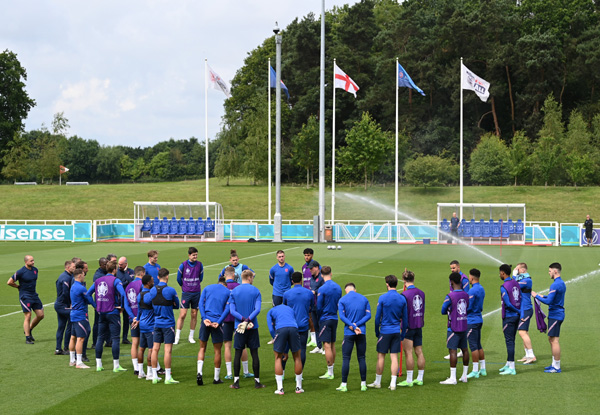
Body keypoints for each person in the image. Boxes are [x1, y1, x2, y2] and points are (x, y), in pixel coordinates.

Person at [87, 260, 134, 372]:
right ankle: (116, 366)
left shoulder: (98, 281)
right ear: (114, 270)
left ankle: (99, 364)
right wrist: (122, 306)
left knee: (100, 338)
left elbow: (88, 294)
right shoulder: (116, 280)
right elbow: (123, 294)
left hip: (101, 313)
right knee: (115, 338)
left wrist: (95, 305)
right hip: (113, 312)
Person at [368, 274, 408, 390]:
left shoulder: (383, 298)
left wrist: (377, 331)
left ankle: (378, 382)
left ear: (387, 284)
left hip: (385, 331)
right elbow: (405, 319)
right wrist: (403, 334)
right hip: (396, 331)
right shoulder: (402, 298)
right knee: (394, 357)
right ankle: (393, 383)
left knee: (381, 356)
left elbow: (377, 318)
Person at [228, 269, 265, 390]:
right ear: (249, 278)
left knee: (238, 353)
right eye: (252, 277)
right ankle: (257, 382)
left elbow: (232, 311)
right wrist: (249, 319)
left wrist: (242, 319)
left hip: (239, 327)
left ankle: (236, 382)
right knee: (254, 353)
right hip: (252, 326)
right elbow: (257, 309)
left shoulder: (234, 292)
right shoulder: (256, 291)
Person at [532, 262, 566, 373]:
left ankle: (556, 367)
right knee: (551, 339)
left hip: (556, 315)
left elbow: (549, 301)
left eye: (550, 271)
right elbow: (553, 298)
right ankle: (554, 364)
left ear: (555, 271)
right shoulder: (560, 283)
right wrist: (543, 296)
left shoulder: (555, 284)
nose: (549, 273)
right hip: (557, 314)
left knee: (554, 340)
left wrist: (536, 296)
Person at [336, 282, 371, 392]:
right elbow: (368, 315)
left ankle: (344, 384)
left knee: (346, 358)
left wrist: (352, 325)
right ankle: (363, 384)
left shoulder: (342, 300)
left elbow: (342, 316)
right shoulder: (364, 299)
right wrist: (358, 325)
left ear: (346, 290)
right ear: (355, 289)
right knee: (361, 358)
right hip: (361, 332)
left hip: (349, 332)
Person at [197, 276, 231, 386]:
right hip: (217, 323)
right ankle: (216, 378)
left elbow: (200, 304)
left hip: (206, 321)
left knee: (202, 348)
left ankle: (199, 373)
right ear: (225, 284)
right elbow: (227, 309)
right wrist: (219, 321)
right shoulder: (227, 292)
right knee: (217, 351)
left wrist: (204, 318)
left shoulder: (207, 288)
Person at [148, 268, 180, 384]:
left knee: (155, 349)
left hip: (157, 323)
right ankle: (167, 377)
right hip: (168, 324)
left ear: (157, 277)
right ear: (167, 276)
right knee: (168, 350)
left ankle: (155, 376)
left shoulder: (152, 290)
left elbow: (149, 303)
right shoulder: (171, 290)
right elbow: (177, 305)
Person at [221, 266, 253, 380]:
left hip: (225, 319)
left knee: (227, 346)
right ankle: (245, 371)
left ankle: (229, 373)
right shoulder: (239, 287)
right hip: (237, 319)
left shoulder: (222, 287)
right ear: (234, 275)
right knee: (242, 345)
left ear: (225, 275)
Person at [6, 255, 45, 344]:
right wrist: (18, 287)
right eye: (31, 261)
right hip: (25, 296)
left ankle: (29, 329)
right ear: (26, 262)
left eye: (33, 260)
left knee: (41, 315)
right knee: (28, 315)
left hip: (34, 295)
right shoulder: (21, 272)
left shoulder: (35, 270)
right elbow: (9, 282)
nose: (33, 262)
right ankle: (27, 338)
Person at [267, 304, 304, 394]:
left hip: (280, 329)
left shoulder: (271, 311)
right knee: (297, 357)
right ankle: (298, 387)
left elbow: (271, 328)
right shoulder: (291, 308)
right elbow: (295, 322)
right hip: (294, 328)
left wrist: (274, 338)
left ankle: (280, 389)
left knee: (278, 358)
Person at [440, 272, 470, 385]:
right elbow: (468, 307)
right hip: (464, 325)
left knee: (452, 351)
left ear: (451, 282)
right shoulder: (466, 295)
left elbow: (443, 310)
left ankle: (453, 378)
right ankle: (464, 376)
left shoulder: (450, 296)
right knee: (465, 349)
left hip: (453, 327)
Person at [399, 269, 426, 387]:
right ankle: (420, 378)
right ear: (413, 279)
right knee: (419, 351)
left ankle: (409, 379)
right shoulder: (422, 292)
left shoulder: (404, 295)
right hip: (419, 324)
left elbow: (401, 313)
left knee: (408, 352)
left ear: (404, 281)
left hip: (408, 326)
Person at [283, 271, 314, 371]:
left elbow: (285, 308)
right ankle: (300, 374)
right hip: (303, 324)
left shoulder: (287, 294)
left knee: (285, 349)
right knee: (302, 349)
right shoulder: (309, 293)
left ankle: (282, 373)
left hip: (289, 325)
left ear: (292, 281)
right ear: (301, 280)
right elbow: (312, 307)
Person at [316, 266, 342, 380]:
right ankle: (331, 369)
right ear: (331, 273)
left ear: (321, 275)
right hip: (334, 318)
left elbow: (319, 306)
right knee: (332, 344)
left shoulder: (322, 289)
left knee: (326, 346)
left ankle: (330, 372)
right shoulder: (338, 287)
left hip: (325, 318)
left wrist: (318, 317)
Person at [175, 247, 204, 345]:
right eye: (193, 255)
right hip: (186, 293)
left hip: (196, 293)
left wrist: (194, 285)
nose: (195, 256)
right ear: (189, 255)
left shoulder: (199, 265)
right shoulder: (183, 265)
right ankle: (177, 337)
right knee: (182, 314)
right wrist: (184, 287)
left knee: (194, 314)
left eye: (196, 255)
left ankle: (191, 336)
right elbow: (179, 279)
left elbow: (201, 278)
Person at [68, 268, 96, 369]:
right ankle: (79, 362)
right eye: (84, 274)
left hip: (74, 314)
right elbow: (89, 299)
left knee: (73, 337)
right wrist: (97, 307)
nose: (84, 276)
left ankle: (72, 360)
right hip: (80, 316)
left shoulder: (73, 286)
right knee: (80, 339)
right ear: (79, 275)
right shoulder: (81, 288)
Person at [499, 263, 521, 376]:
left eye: (500, 273)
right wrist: (519, 312)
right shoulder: (515, 283)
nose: (499, 275)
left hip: (509, 317)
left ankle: (512, 367)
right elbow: (520, 298)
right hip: (516, 317)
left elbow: (507, 303)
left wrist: (517, 311)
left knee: (509, 341)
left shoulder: (504, 286)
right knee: (512, 339)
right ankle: (508, 363)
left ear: (503, 273)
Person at [445, 260, 469, 360]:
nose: (452, 270)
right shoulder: (452, 278)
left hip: (460, 306)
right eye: (451, 268)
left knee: (458, 327)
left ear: (459, 267)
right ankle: (457, 350)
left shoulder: (464, 279)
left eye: (454, 268)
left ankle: (457, 350)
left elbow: (467, 294)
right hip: (453, 305)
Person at [466, 268, 487, 379]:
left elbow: (469, 307)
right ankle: (483, 369)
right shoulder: (481, 288)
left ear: (472, 277)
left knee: (473, 346)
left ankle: (475, 370)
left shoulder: (472, 291)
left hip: (472, 321)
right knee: (478, 345)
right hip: (479, 319)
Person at [124, 266, 145, 375]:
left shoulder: (128, 286)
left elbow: (126, 304)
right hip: (142, 319)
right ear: (142, 273)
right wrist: (139, 317)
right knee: (146, 343)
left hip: (132, 318)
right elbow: (143, 302)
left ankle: (136, 367)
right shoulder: (142, 285)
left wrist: (132, 317)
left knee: (134, 343)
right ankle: (152, 367)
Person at [514, 262, 536, 364]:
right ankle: (527, 355)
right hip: (523, 309)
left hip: (526, 309)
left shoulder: (527, 280)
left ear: (523, 270)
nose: (516, 271)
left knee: (522, 332)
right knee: (524, 332)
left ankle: (531, 355)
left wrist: (514, 275)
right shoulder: (523, 279)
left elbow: (514, 286)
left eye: (517, 269)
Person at [137, 274, 156, 380]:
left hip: (142, 324)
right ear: (148, 283)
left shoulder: (139, 295)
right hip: (150, 325)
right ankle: (149, 373)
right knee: (151, 349)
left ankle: (140, 372)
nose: (153, 281)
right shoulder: (150, 295)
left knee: (141, 348)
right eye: (152, 280)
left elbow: (139, 310)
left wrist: (138, 319)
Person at [55, 260, 75, 354]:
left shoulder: (67, 276)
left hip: (61, 304)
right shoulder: (65, 277)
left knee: (61, 326)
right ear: (68, 267)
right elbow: (66, 292)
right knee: (70, 324)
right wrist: (71, 303)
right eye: (73, 267)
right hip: (63, 305)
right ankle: (66, 347)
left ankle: (58, 349)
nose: (74, 269)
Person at [301, 248, 318, 347]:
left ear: (312, 255)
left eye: (308, 255)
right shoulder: (303, 267)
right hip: (305, 295)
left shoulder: (315, 265)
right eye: (305, 255)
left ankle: (314, 339)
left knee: (312, 317)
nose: (307, 257)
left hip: (313, 296)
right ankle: (309, 337)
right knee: (307, 317)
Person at [116, 256, 135, 345]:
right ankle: (113, 338)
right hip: (118, 298)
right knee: (116, 319)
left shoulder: (130, 271)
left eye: (121, 264)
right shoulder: (116, 271)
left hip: (127, 299)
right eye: (119, 264)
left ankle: (124, 338)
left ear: (126, 264)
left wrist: (125, 272)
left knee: (126, 319)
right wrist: (124, 283)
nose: (119, 266)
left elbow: (131, 281)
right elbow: (117, 284)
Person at [308, 261, 325, 354]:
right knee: (316, 326)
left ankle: (326, 347)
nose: (310, 270)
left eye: (311, 268)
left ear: (317, 268)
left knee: (323, 326)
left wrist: (315, 291)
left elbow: (324, 288)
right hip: (313, 306)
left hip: (321, 306)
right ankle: (319, 346)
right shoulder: (312, 279)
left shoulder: (321, 278)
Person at [92, 257, 108, 348]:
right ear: (100, 265)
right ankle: (95, 342)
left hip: (106, 301)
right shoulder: (98, 275)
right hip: (99, 302)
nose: (106, 266)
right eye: (104, 264)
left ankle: (107, 340)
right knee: (97, 322)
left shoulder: (105, 273)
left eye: (107, 264)